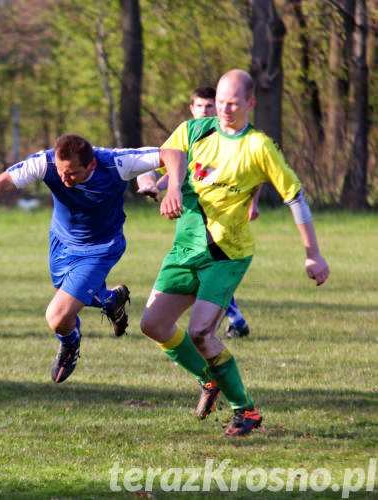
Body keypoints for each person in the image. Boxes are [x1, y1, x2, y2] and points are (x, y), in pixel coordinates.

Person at [137, 69, 329, 437]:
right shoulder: (194, 130)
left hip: (227, 253)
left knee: (200, 332)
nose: (224, 110)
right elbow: (162, 156)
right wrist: (161, 185)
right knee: (153, 325)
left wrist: (313, 254)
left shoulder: (259, 146)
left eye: (233, 104)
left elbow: (295, 196)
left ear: (250, 104)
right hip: (184, 249)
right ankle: (208, 380)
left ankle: (247, 411)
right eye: (221, 103)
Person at [0, 134, 187, 383]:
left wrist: (173, 189)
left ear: (91, 165)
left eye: (72, 174)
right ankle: (111, 301)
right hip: (62, 243)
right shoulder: (46, 163)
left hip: (101, 248)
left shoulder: (117, 163)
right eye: (61, 172)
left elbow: (174, 154)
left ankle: (70, 346)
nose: (64, 180)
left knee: (57, 317)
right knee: (69, 306)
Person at [141, 85, 256, 339]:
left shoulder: (231, 140)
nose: (205, 111)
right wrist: (154, 186)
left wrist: (252, 201)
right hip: (189, 234)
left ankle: (219, 331)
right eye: (199, 106)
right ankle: (229, 322)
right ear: (191, 109)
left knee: (212, 275)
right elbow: (158, 166)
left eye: (209, 106)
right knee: (197, 282)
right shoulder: (187, 136)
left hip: (223, 233)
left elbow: (256, 168)